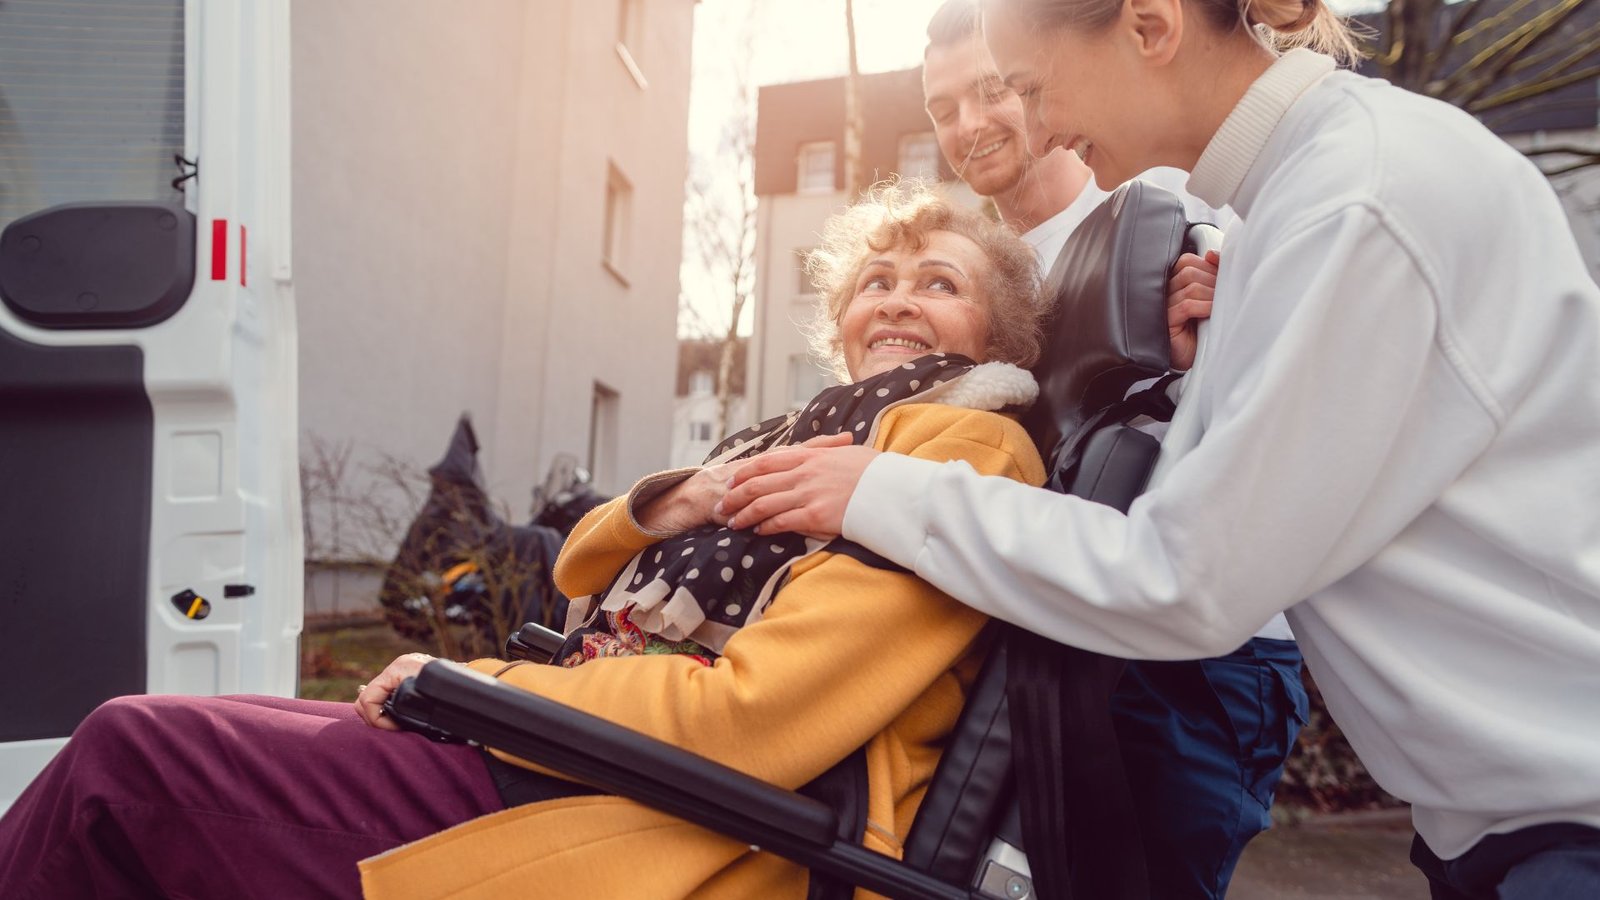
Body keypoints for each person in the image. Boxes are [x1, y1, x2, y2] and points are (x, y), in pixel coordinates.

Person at [718, 2, 1600, 898]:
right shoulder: (1288, 208)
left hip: (1572, 821)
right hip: (1496, 825)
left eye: (1027, 87)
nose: (1042, 126)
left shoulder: (1356, 203)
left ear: (1149, 26)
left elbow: (1187, 577)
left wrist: (881, 490)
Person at [0, 182, 1050, 899]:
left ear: (995, 331)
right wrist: (666, 506)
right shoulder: (806, 432)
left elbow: (750, 720)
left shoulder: (957, 449)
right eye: (876, 281)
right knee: (178, 731)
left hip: (673, 820)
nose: (897, 299)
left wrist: (489, 695)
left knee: (125, 760)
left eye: (939, 282)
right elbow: (575, 569)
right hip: (590, 753)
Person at [922, 3, 1304, 895]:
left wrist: (1220, 333)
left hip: (1194, 657)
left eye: (994, 90)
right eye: (943, 109)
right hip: (1065, 637)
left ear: (1046, 80)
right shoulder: (983, 279)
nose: (970, 125)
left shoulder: (1171, 222)